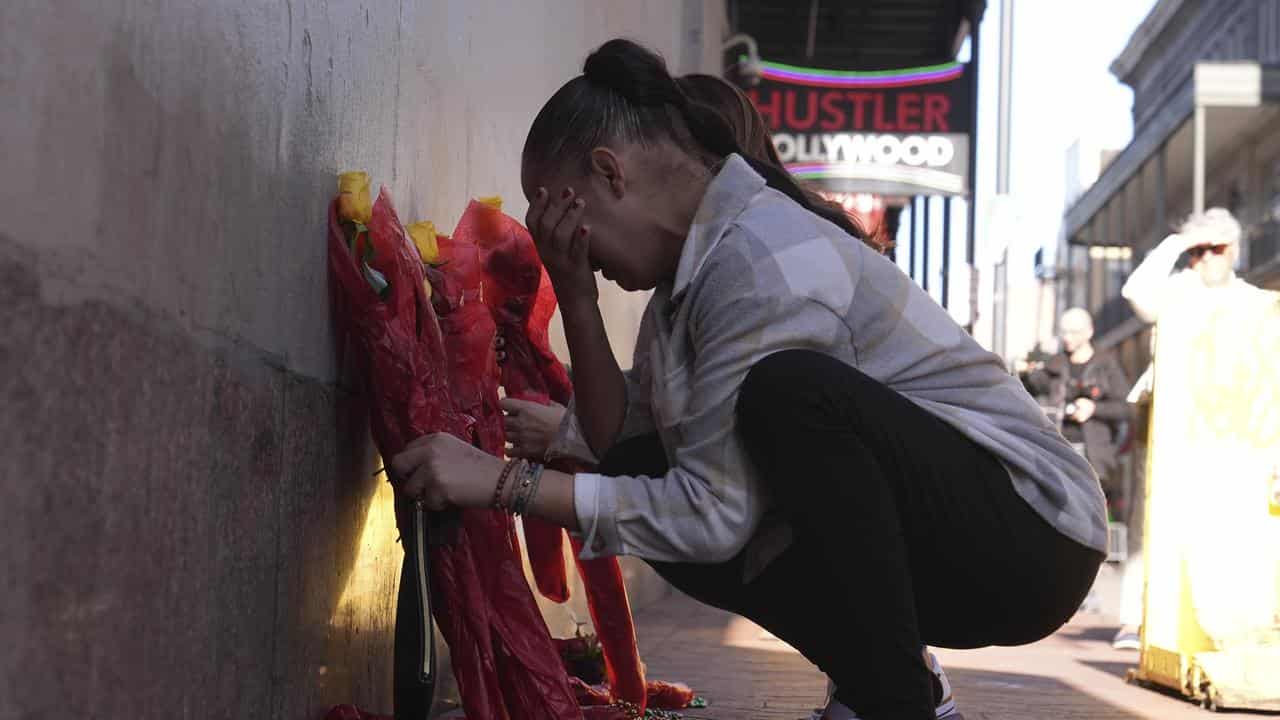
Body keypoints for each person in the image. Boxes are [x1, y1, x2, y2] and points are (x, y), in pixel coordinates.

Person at [391, 39, 1107, 720]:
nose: (557, 241)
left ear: (611, 174)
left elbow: (711, 517)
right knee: (648, 464)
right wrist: (575, 295)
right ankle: (888, 687)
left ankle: (894, 701)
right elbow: (617, 444)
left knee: (787, 394)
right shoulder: (692, 279)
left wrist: (498, 482)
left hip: (1031, 534)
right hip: (965, 538)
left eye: (560, 216)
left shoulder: (757, 264)